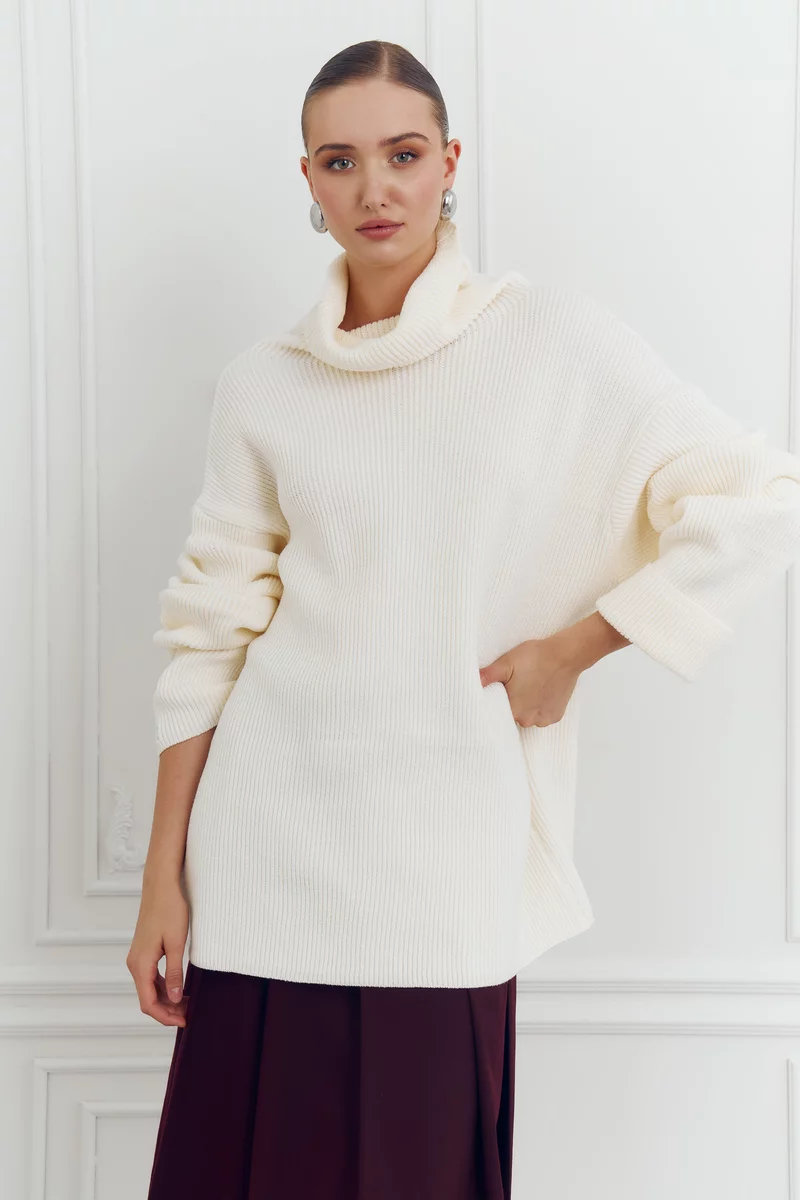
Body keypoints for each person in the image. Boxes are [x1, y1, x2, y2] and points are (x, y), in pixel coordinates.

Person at [132, 38, 800, 1200]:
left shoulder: (551, 342)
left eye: (402, 155)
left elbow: (754, 497)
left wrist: (575, 650)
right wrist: (162, 880)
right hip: (261, 854)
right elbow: (210, 632)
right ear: (307, 178)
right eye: (340, 161)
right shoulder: (262, 383)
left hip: (440, 867)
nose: (374, 188)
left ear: (449, 163)